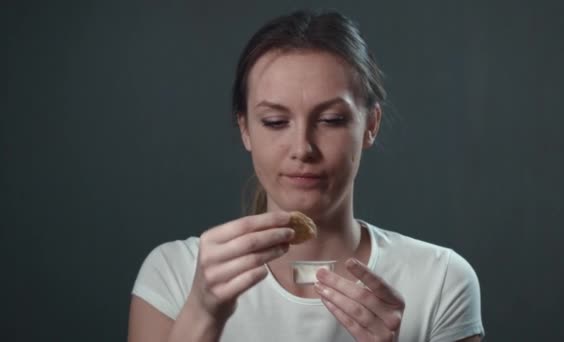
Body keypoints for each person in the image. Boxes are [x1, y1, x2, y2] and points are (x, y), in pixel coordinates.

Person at [128, 10, 484, 342]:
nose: (302, 148)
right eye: (275, 122)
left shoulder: (440, 281)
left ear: (370, 125)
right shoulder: (175, 274)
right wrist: (203, 313)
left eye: (330, 120)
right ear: (245, 129)